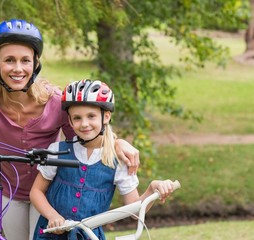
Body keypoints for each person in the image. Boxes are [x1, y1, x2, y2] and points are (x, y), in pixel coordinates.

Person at [0, 19, 140, 240]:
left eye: (25, 60)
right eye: (9, 60)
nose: (17, 68)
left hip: (47, 195)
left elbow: (85, 138)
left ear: (35, 64)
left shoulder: (55, 102)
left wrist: (117, 141)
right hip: (8, 192)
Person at [30, 79, 175, 240]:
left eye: (91, 116)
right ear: (70, 121)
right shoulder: (57, 151)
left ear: (106, 116)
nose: (84, 124)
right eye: (77, 118)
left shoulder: (118, 160)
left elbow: (134, 212)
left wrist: (152, 188)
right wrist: (52, 216)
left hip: (89, 236)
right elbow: (36, 192)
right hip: (50, 235)